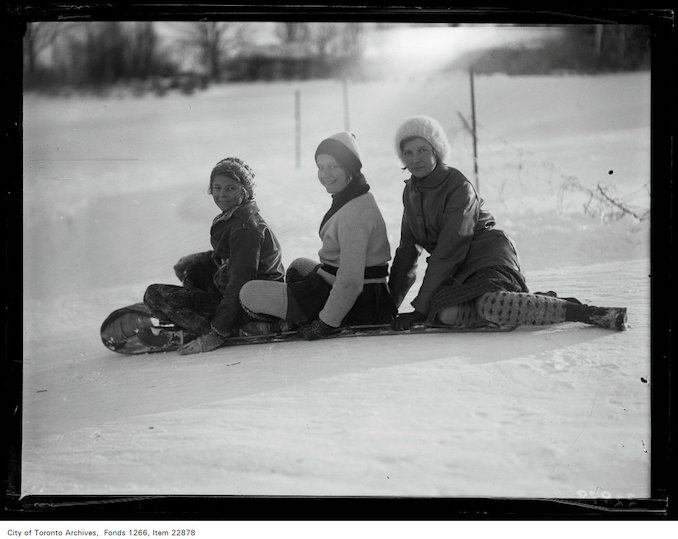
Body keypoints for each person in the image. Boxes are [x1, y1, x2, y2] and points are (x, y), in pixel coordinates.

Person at [388, 115, 627, 332]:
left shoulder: (458, 187)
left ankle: (586, 313)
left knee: (490, 304)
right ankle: (533, 304)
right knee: (445, 314)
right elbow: (407, 252)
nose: (415, 159)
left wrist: (419, 309)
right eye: (408, 153)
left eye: (422, 150)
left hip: (487, 257)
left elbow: (449, 250)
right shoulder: (410, 192)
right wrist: (390, 306)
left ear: (436, 151)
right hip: (457, 270)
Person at [238, 131, 397, 340]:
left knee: (249, 293)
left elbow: (350, 282)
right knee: (298, 266)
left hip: (360, 304)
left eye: (334, 166)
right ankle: (296, 312)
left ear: (350, 167)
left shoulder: (355, 214)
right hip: (355, 289)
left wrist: (325, 324)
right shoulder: (354, 196)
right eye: (321, 167)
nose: (325, 174)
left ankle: (291, 321)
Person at [142, 157, 285, 355]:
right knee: (194, 271)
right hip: (236, 287)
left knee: (154, 295)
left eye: (230, 188)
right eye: (217, 188)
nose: (221, 195)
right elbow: (233, 257)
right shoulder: (236, 215)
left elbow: (239, 283)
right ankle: (209, 316)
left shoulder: (245, 228)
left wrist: (217, 333)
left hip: (251, 308)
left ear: (244, 190)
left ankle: (229, 328)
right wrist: (199, 259)